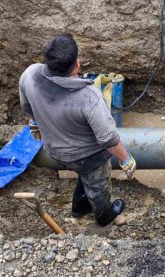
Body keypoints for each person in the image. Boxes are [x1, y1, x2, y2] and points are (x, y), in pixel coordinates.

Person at [18, 33, 136, 227]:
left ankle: (79, 207)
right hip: (88, 157)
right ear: (77, 64)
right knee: (98, 185)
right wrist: (125, 159)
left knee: (84, 175)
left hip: (54, 151)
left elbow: (27, 107)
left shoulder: (30, 75)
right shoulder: (88, 97)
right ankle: (103, 215)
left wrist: (36, 122)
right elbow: (109, 140)